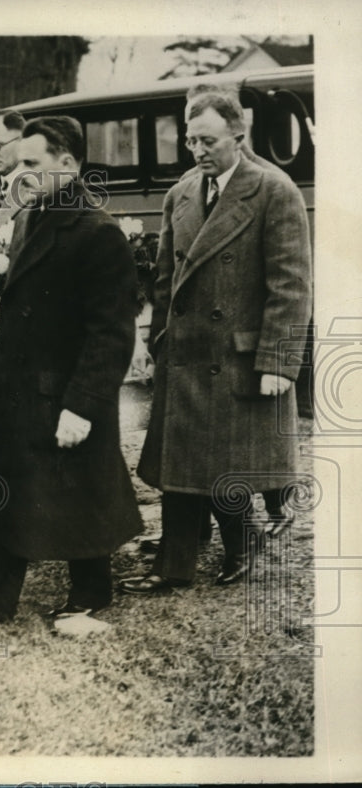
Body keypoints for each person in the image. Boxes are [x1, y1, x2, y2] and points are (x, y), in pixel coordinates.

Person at [121, 91, 312, 594]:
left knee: (225, 464)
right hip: (185, 353)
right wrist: (157, 341)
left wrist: (278, 361)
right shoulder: (181, 192)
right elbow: (165, 279)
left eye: (207, 140)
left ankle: (241, 545)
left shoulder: (275, 190)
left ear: (238, 136)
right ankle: (174, 564)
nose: (197, 149)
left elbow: (291, 286)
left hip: (239, 356)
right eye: (190, 140)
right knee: (183, 463)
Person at [0, 116, 142, 624]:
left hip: (64, 393)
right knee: (8, 493)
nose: (22, 174)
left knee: (80, 496)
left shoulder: (97, 232)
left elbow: (111, 332)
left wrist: (82, 405)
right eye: (19, 164)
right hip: (21, 386)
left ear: (68, 163)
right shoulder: (30, 217)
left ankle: (91, 592)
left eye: (33, 164)